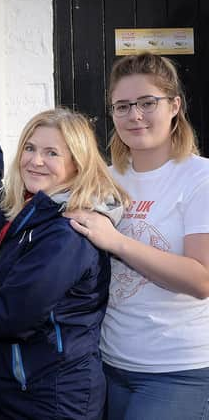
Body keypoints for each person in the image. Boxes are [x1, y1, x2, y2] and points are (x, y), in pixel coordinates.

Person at [0, 108, 129, 419]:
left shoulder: (66, 231)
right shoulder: (40, 214)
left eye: (52, 153)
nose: (36, 160)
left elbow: (5, 319)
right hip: (28, 391)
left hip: (51, 399)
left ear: (77, 163)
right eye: (30, 148)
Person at [65, 53, 209, 419]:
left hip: (179, 371)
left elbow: (201, 279)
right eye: (123, 106)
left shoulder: (199, 179)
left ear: (174, 105)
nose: (135, 116)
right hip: (109, 364)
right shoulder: (104, 178)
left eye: (148, 103)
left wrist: (117, 241)